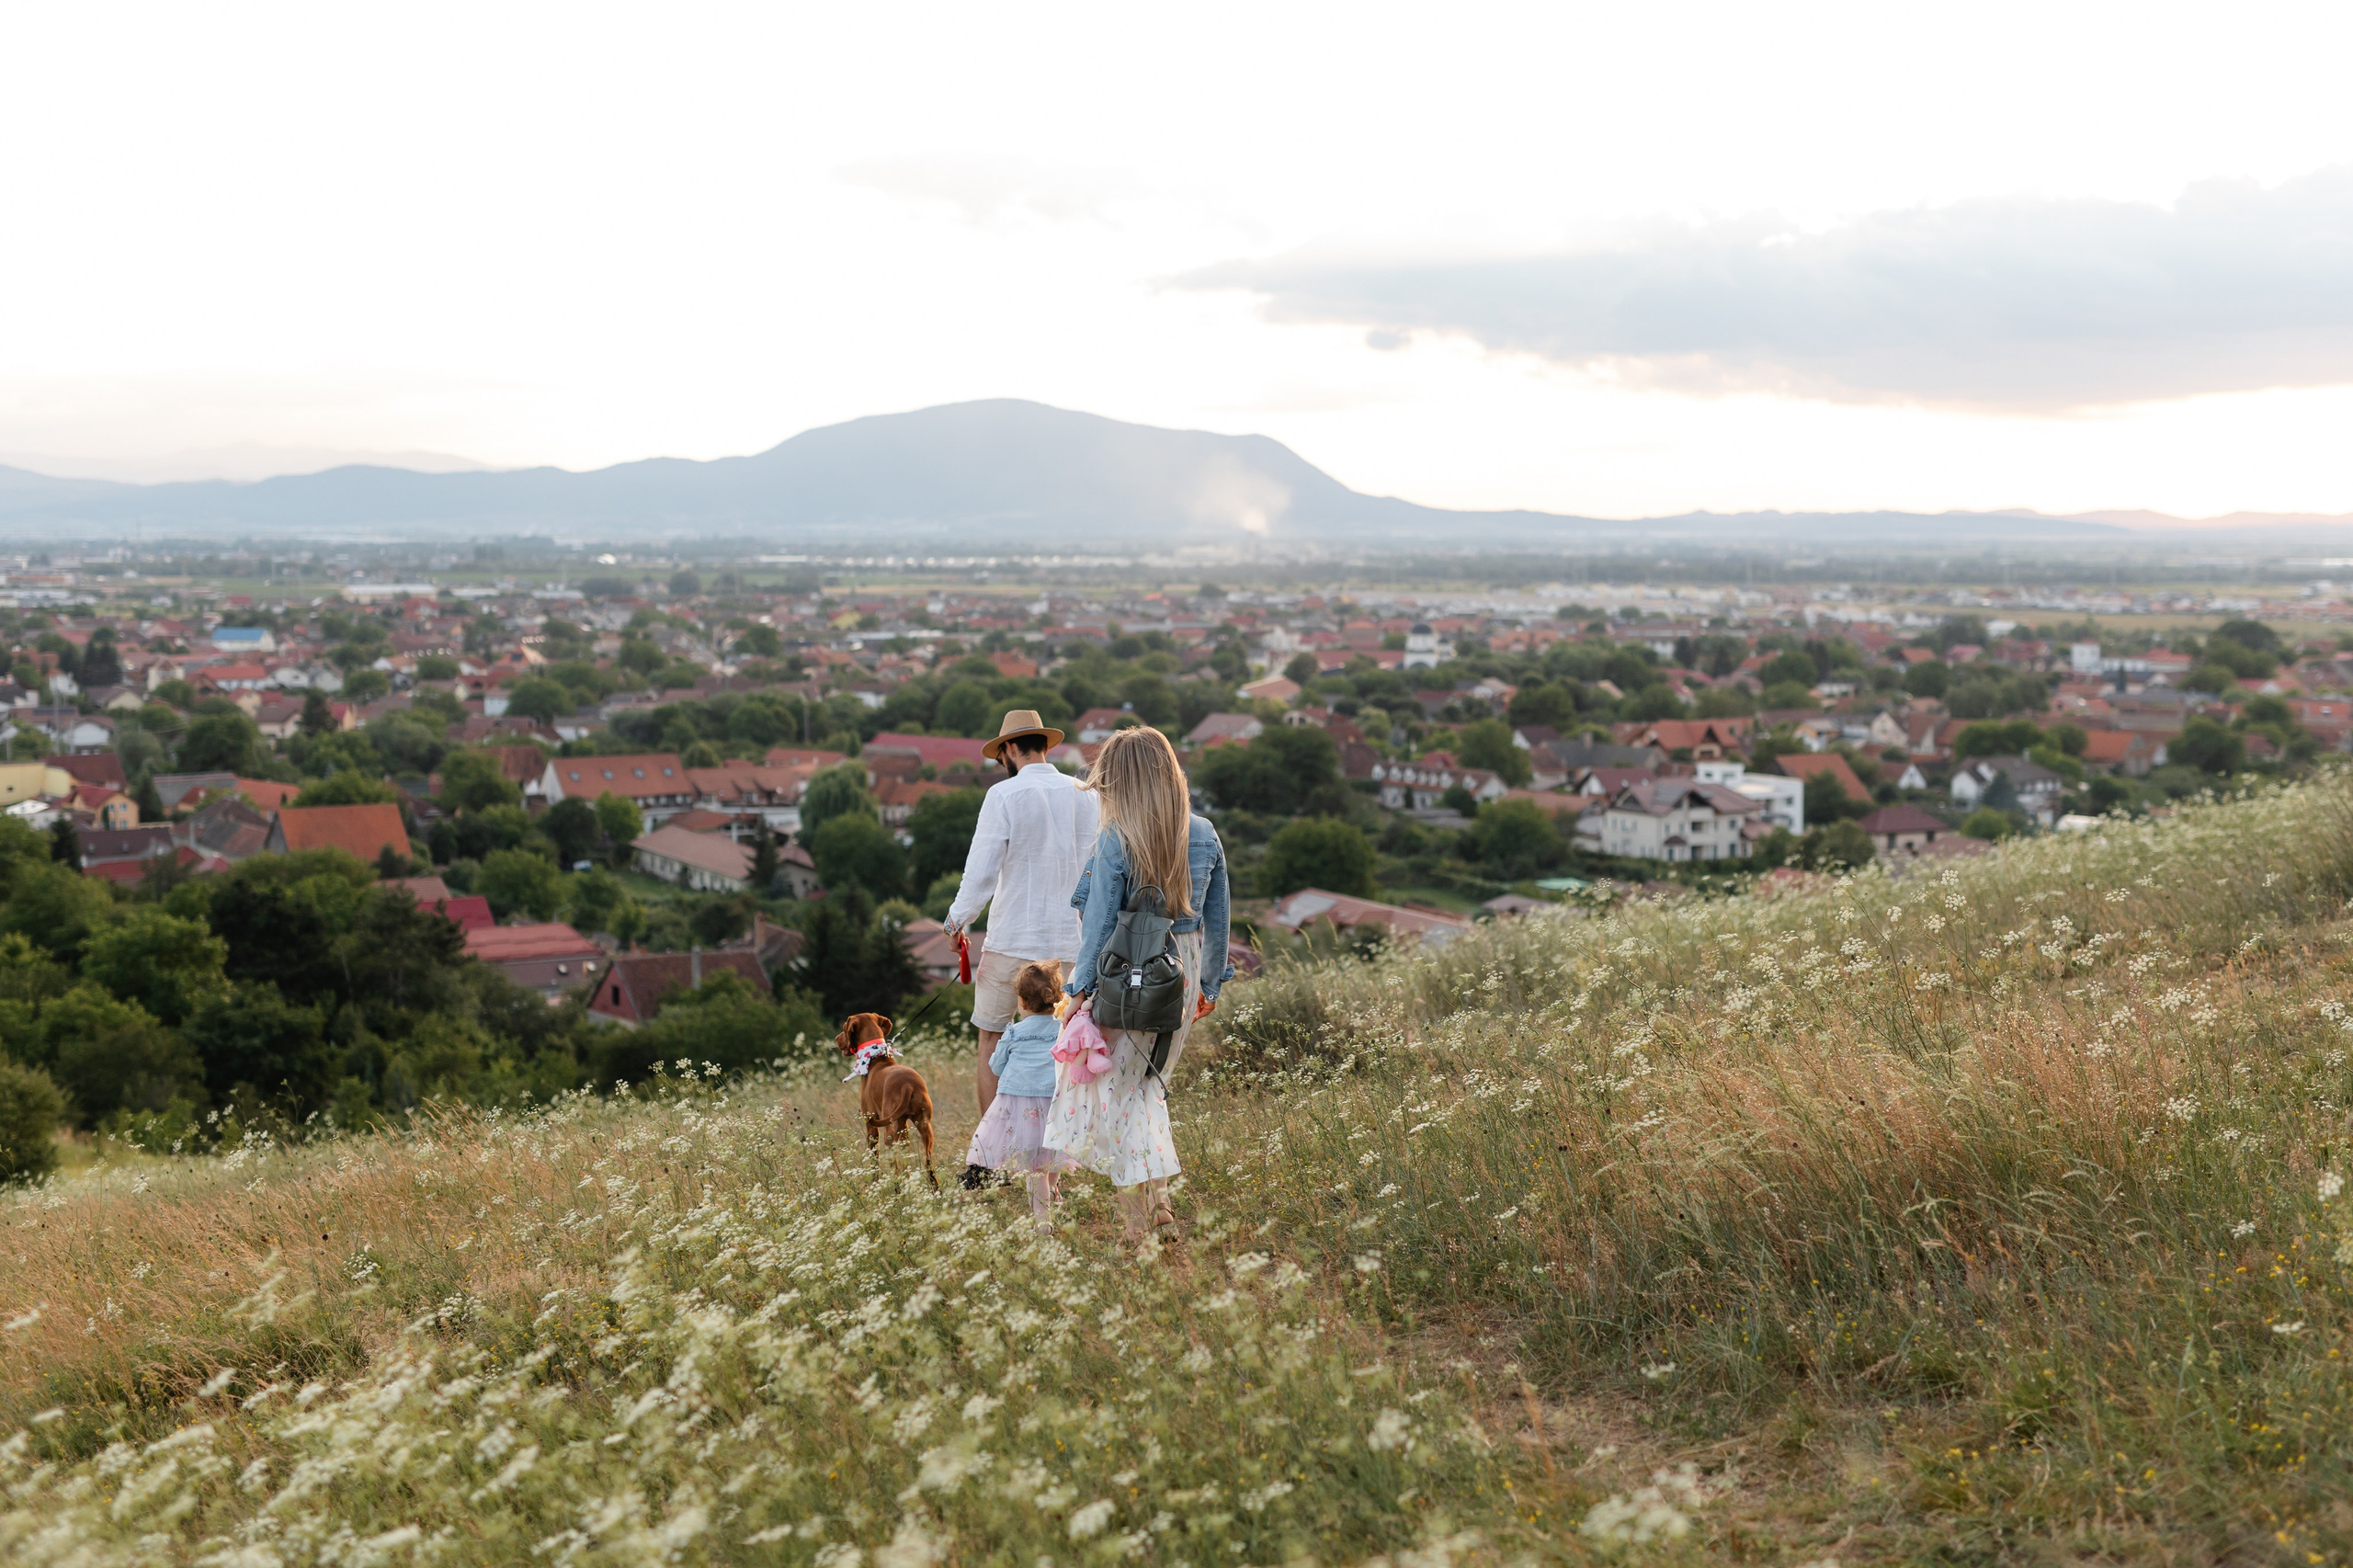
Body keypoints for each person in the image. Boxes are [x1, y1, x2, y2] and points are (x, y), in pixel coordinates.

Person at [1045, 724, 1232, 1244]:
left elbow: (1102, 926)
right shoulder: (1204, 831)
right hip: (1183, 970)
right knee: (1150, 1085)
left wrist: (1077, 994)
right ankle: (1160, 1207)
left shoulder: (1116, 838)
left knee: (1120, 1095)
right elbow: (1219, 920)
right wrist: (1209, 986)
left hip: (1128, 972)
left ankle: (1137, 1225)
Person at [943, 710, 1100, 1127]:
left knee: (991, 1039)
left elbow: (981, 870)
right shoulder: (1087, 793)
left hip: (1012, 937)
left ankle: (992, 1155)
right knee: (1066, 1044)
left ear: (1011, 748)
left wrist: (956, 922)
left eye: (1001, 757)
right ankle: (1055, 1151)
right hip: (1071, 941)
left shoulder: (1003, 795)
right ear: (1044, 746)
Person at [961, 960, 1078, 1227]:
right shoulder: (1063, 1028)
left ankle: (1042, 1222)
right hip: (1055, 1102)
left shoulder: (1014, 1032)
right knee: (1052, 1156)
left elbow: (996, 1065)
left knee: (1034, 1167)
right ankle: (1054, 1190)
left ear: (1022, 1002)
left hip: (1020, 1107)